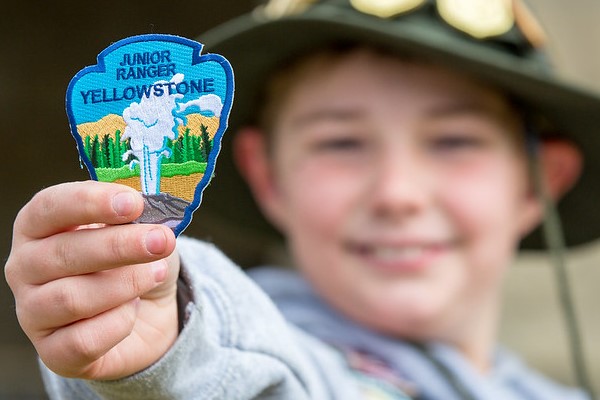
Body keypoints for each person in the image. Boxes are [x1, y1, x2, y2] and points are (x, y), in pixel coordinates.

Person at [5, 0, 600, 399]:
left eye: (453, 141)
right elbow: (251, 372)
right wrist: (165, 336)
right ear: (268, 177)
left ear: (538, 180)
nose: (397, 194)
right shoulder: (286, 361)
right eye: (341, 143)